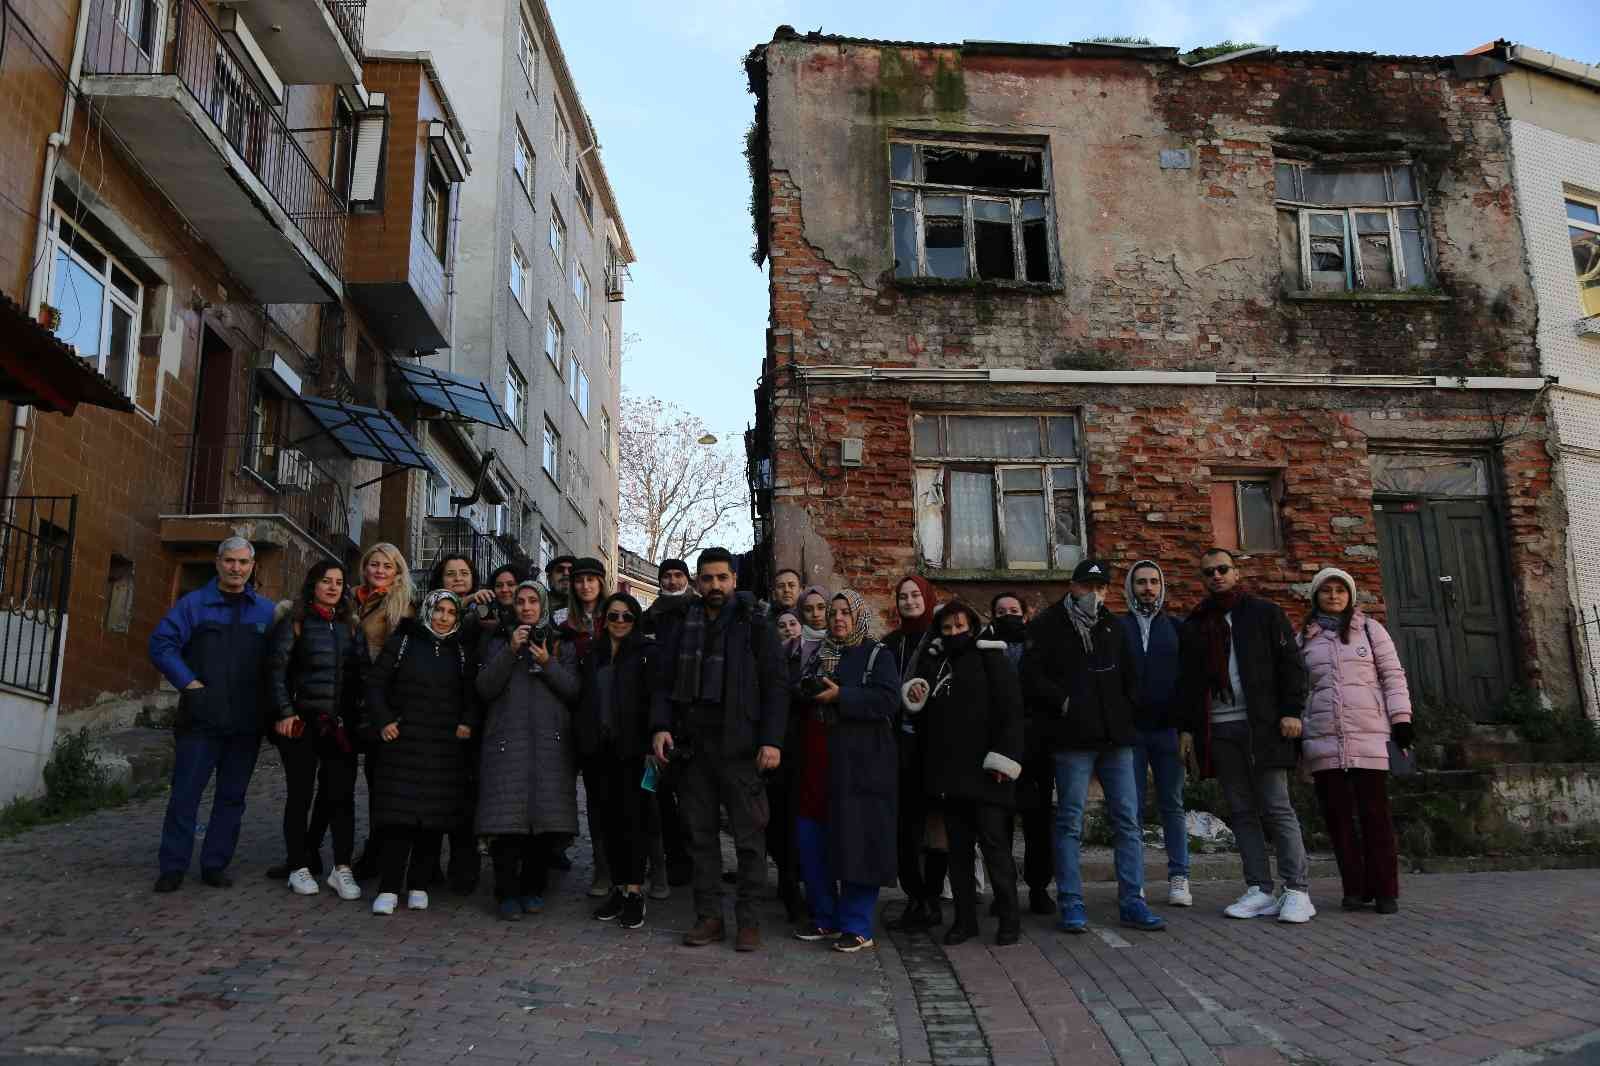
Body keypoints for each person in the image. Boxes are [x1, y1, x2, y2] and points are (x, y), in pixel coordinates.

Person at [650, 547, 787, 952]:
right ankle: (709, 917)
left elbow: (776, 685)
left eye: (721, 578)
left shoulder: (755, 623)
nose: (714, 586)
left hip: (741, 747)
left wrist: (772, 740)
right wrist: (660, 727)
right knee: (701, 838)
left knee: (749, 840)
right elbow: (662, 681)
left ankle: (749, 920)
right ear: (697, 581)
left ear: (734, 580)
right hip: (693, 748)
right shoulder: (681, 623)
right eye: (707, 578)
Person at [1022, 559, 1166, 934]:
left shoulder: (1112, 626)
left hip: (1116, 738)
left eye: (1101, 587)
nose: (1095, 594)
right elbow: (1033, 676)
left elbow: (1133, 677)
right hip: (1072, 739)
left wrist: (1123, 710)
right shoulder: (1048, 625)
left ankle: (1133, 900)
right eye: (1088, 586)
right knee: (1070, 821)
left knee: (1127, 821)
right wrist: (1065, 703)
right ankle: (1071, 902)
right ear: (1072, 586)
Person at [1179, 548, 1314, 924]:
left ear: (1237, 573)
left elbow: (1292, 666)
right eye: (1209, 572)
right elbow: (1189, 683)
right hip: (1220, 727)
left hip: (1264, 726)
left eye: (1223, 569)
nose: (1216, 576)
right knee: (1241, 811)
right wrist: (1188, 730)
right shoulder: (1197, 622)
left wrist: (1291, 711)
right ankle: (1259, 887)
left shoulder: (1264, 613)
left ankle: (1298, 890)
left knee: (1277, 806)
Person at [149, 536, 277, 892]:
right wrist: (189, 684)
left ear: (253, 568)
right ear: (218, 563)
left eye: (243, 563)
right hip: (200, 721)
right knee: (185, 794)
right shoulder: (194, 605)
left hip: (246, 723)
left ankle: (214, 864)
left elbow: (280, 662)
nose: (236, 568)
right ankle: (172, 867)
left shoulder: (266, 612)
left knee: (232, 798)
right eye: (230, 561)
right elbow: (161, 644)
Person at [903, 601, 1024, 946]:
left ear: (972, 626)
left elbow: (1010, 711)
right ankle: (965, 920)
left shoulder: (990, 658)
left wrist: (1005, 758)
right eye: (947, 628)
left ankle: (1009, 919)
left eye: (960, 627)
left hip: (987, 773)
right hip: (949, 775)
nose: (954, 633)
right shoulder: (935, 661)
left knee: (994, 847)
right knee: (958, 852)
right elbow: (919, 710)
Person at [789, 590, 900, 953]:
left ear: (858, 618)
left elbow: (888, 700)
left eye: (845, 613)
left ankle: (856, 924)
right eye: (833, 613)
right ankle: (825, 917)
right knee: (813, 840)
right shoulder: (817, 656)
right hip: (817, 761)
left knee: (857, 841)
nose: (838, 619)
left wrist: (842, 697)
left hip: (859, 764)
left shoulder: (876, 655)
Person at [1298, 567, 1413, 915]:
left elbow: (1392, 676)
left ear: (1350, 596)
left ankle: (1385, 891)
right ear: (1316, 596)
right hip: (1324, 740)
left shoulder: (1370, 630)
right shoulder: (1304, 637)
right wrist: (1301, 734)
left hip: (1370, 738)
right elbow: (1298, 690)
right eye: (1326, 591)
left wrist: (1402, 721)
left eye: (1340, 590)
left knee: (1375, 817)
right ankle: (1354, 889)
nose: (1334, 596)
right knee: (1339, 820)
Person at [364, 589, 479, 916]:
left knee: (432, 819)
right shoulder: (403, 642)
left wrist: (467, 723)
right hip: (404, 744)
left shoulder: (460, 652)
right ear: (428, 610)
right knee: (398, 819)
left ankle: (418, 884)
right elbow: (375, 685)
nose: (443, 617)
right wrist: (384, 720)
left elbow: (474, 693)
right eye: (438, 610)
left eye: (450, 612)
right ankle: (388, 886)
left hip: (444, 748)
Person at [476, 580, 580, 920]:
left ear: (543, 605)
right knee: (507, 825)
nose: (526, 607)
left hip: (550, 746)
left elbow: (573, 691)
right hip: (507, 743)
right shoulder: (496, 641)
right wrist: (509, 650)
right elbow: (485, 687)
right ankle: (506, 892)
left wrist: (548, 661)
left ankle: (534, 887)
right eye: (520, 601)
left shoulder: (562, 642)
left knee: (542, 824)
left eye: (533, 601)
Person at [265, 559, 362, 901]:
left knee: (340, 796)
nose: (333, 587)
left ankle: (342, 868)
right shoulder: (295, 621)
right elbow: (276, 670)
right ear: (313, 585)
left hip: (337, 726)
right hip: (301, 722)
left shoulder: (350, 626)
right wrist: (284, 712)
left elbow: (358, 676)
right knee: (300, 795)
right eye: (326, 581)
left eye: (339, 582)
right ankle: (297, 866)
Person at [579, 592, 656, 929]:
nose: (620, 622)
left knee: (634, 821)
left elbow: (657, 699)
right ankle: (618, 887)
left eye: (627, 616)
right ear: (604, 619)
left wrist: (656, 739)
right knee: (607, 822)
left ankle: (635, 891)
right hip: (600, 750)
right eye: (614, 616)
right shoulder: (593, 655)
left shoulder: (646, 654)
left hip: (635, 751)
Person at [1120, 561, 1192, 907]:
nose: (1148, 588)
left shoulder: (1178, 628)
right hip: (1130, 732)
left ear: (1162, 587)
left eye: (1153, 582)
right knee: (1129, 808)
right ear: (1129, 588)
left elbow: (1189, 684)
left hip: (1168, 732)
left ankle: (1179, 877)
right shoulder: (1118, 629)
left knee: (1172, 805)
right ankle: (1135, 881)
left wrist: (1186, 729)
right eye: (1141, 583)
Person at [345, 542, 416, 880]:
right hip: (348, 698)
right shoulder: (352, 599)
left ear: (398, 571)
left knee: (380, 784)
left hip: (378, 704)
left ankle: (378, 854)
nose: (379, 571)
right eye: (374, 564)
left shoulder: (399, 606)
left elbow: (398, 663)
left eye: (387, 566)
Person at [981, 592, 1055, 917]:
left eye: (1013, 610)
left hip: (1037, 747)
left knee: (1039, 824)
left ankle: (1039, 888)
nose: (1008, 615)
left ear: (1025, 615)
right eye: (1001, 611)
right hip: (997, 748)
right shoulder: (983, 648)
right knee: (999, 825)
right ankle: (1003, 891)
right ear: (992, 616)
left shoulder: (1040, 646)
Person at [883, 574, 947, 933]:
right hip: (900, 749)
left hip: (935, 748)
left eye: (914, 595)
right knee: (905, 830)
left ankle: (934, 899)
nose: (909, 601)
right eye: (903, 596)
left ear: (927, 597)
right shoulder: (891, 643)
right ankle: (915, 897)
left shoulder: (941, 641)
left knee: (936, 828)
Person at [427, 553, 489, 893]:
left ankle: (464, 869)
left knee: (467, 798)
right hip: (435, 720)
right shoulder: (431, 616)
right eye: (450, 574)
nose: (457, 578)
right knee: (434, 795)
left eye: (464, 573)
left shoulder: (483, 614)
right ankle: (429, 864)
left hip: (471, 718)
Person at [640, 556, 696, 892]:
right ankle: (672, 860)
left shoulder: (700, 611)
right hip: (658, 718)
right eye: (668, 576)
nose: (673, 581)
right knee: (659, 797)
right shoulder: (650, 617)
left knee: (693, 799)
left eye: (679, 575)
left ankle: (693, 861)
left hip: (693, 718)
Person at [557, 556, 610, 896]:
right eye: (580, 580)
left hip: (618, 719)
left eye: (592, 579)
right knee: (596, 801)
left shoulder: (618, 616)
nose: (586, 585)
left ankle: (642, 868)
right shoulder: (564, 624)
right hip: (583, 721)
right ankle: (602, 869)